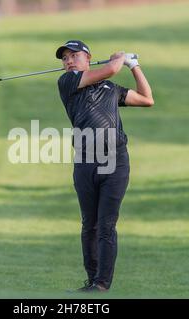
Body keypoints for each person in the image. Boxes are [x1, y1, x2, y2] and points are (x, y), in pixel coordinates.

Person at [56, 40, 154, 292]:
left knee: (106, 224)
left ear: (88, 58)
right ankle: (91, 280)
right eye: (64, 58)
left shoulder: (110, 88)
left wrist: (134, 66)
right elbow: (110, 68)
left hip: (116, 161)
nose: (68, 61)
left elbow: (146, 99)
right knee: (90, 224)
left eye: (73, 56)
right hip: (85, 161)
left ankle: (101, 284)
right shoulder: (67, 83)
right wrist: (119, 58)